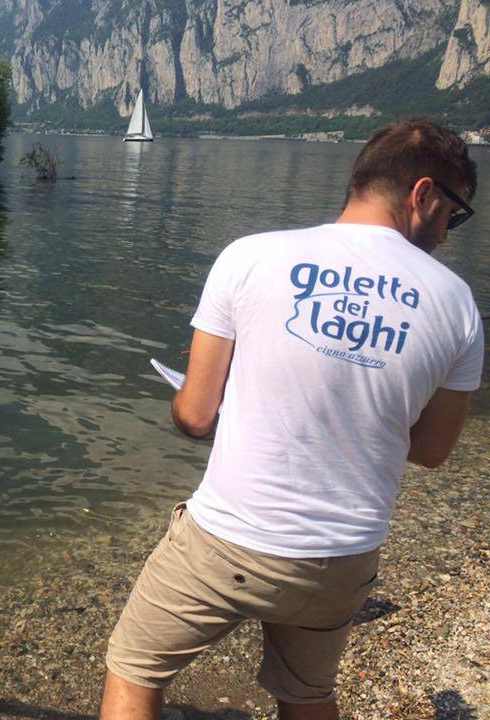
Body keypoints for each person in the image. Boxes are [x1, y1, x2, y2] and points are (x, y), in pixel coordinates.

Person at [100, 119, 483, 720]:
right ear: (423, 195)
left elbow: (197, 417)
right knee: (306, 696)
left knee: (133, 670)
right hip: (342, 558)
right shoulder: (458, 304)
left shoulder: (249, 256)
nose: (447, 233)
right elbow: (433, 450)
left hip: (229, 542)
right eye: (453, 216)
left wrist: (209, 399)